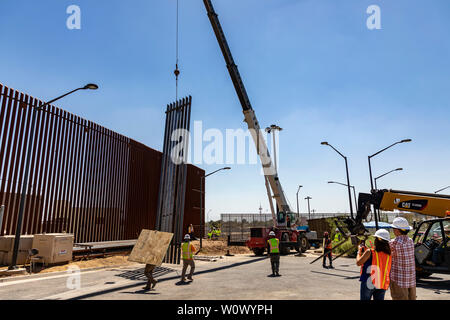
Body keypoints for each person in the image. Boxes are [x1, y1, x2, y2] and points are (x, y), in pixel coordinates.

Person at [356, 229, 392, 300]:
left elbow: (358, 262)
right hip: (382, 282)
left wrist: (359, 252)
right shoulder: (389, 254)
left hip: (369, 281)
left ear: (377, 240)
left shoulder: (370, 252)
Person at [389, 217, 416, 300]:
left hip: (398, 280)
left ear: (397, 230)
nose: (393, 230)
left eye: (393, 229)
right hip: (411, 280)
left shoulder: (394, 243)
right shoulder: (410, 241)